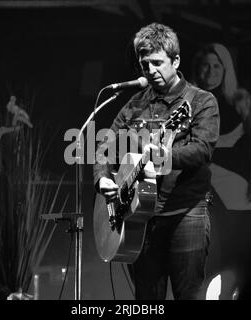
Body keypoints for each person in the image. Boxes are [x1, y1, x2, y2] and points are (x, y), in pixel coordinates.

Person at [93, 23, 220, 300]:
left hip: (186, 214)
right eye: (144, 64)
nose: (150, 71)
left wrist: (166, 156)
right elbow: (105, 146)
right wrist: (103, 177)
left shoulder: (201, 101)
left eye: (157, 63)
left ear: (175, 61)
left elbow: (203, 149)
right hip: (142, 220)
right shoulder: (134, 105)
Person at [190, 43, 251, 299]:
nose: (211, 71)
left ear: (226, 67)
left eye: (217, 65)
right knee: (207, 255)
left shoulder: (240, 99)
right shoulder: (188, 100)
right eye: (205, 65)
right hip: (201, 187)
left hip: (236, 186)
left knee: (237, 255)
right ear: (198, 69)